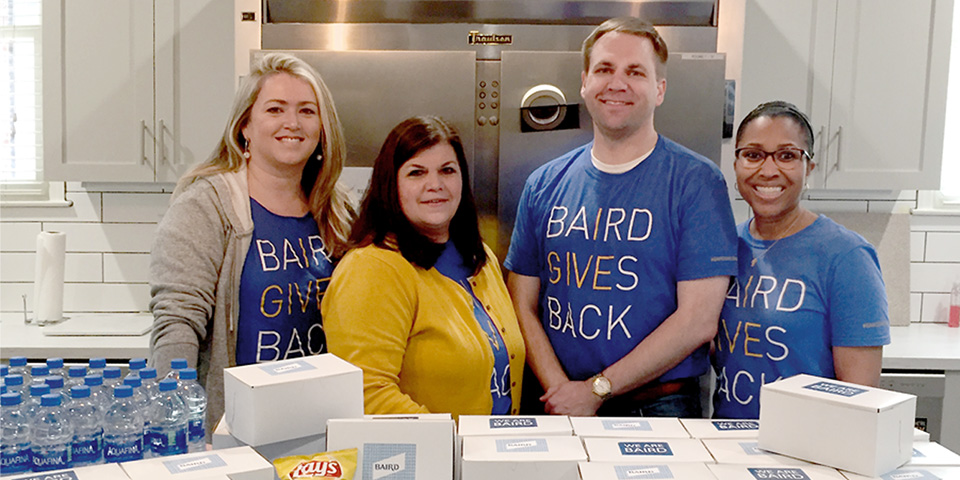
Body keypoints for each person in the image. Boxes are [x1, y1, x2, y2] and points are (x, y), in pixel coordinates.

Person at [504, 16, 738, 417]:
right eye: (605, 69)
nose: (617, 83)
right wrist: (563, 390)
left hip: (659, 404)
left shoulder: (697, 183)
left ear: (660, 89)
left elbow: (699, 319)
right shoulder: (543, 183)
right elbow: (521, 302)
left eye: (636, 72)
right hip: (554, 398)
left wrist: (597, 390)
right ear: (584, 82)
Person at [149, 53, 354, 435]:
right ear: (245, 125)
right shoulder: (206, 207)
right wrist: (180, 429)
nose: (292, 123)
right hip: (234, 432)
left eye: (307, 111)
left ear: (323, 128)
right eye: (275, 109)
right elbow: (177, 325)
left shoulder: (340, 212)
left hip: (322, 426)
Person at [322, 116, 525, 418]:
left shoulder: (480, 258)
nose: (435, 185)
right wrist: (452, 448)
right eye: (416, 172)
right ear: (391, 184)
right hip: (426, 459)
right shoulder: (372, 269)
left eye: (447, 170)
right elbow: (367, 392)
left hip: (489, 456)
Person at [712, 101, 890, 419]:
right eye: (753, 155)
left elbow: (861, 397)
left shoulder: (847, 257)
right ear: (736, 164)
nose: (768, 170)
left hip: (806, 450)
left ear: (809, 167)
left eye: (787, 156)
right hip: (728, 440)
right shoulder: (726, 246)